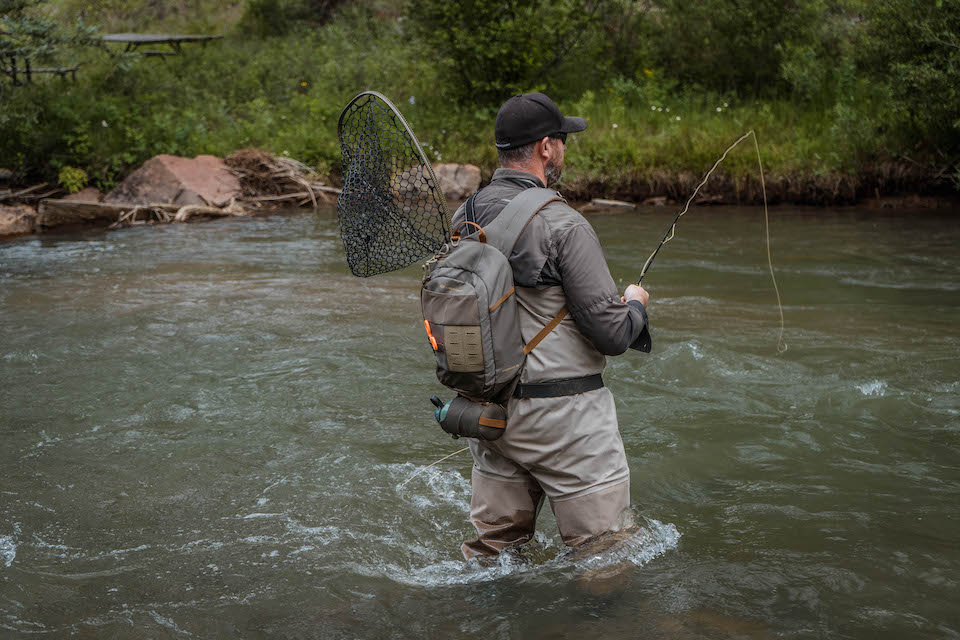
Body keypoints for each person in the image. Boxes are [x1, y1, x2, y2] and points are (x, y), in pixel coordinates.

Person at [453, 92, 652, 560]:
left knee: (492, 559)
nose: (564, 149)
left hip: (489, 414)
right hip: (565, 422)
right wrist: (636, 305)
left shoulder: (466, 216)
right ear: (546, 147)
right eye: (562, 140)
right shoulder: (563, 223)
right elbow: (611, 333)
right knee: (605, 557)